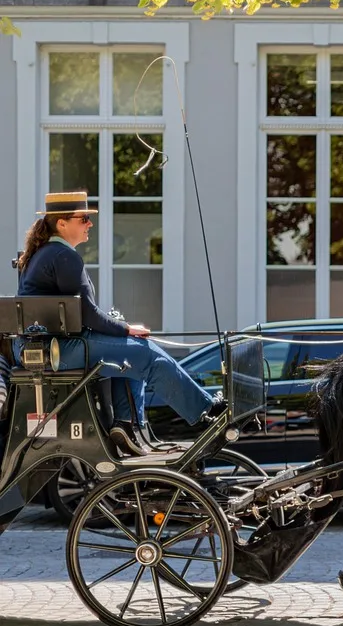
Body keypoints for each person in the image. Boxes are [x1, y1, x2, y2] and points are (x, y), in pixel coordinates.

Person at [15, 191, 225, 456]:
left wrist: (124, 331)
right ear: (62, 223)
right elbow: (88, 314)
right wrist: (125, 328)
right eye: (83, 219)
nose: (89, 224)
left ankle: (125, 425)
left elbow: (79, 314)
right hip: (59, 350)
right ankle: (205, 411)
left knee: (135, 349)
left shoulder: (47, 253)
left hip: (55, 346)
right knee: (146, 356)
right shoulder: (63, 256)